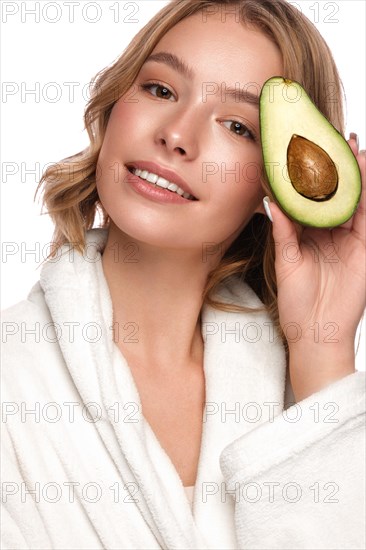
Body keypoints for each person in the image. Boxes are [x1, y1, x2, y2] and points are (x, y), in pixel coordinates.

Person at [2, 1, 365, 548]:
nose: (177, 134)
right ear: (113, 105)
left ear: (280, 181)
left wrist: (323, 351)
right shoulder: (14, 374)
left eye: (238, 126)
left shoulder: (304, 393)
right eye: (161, 90)